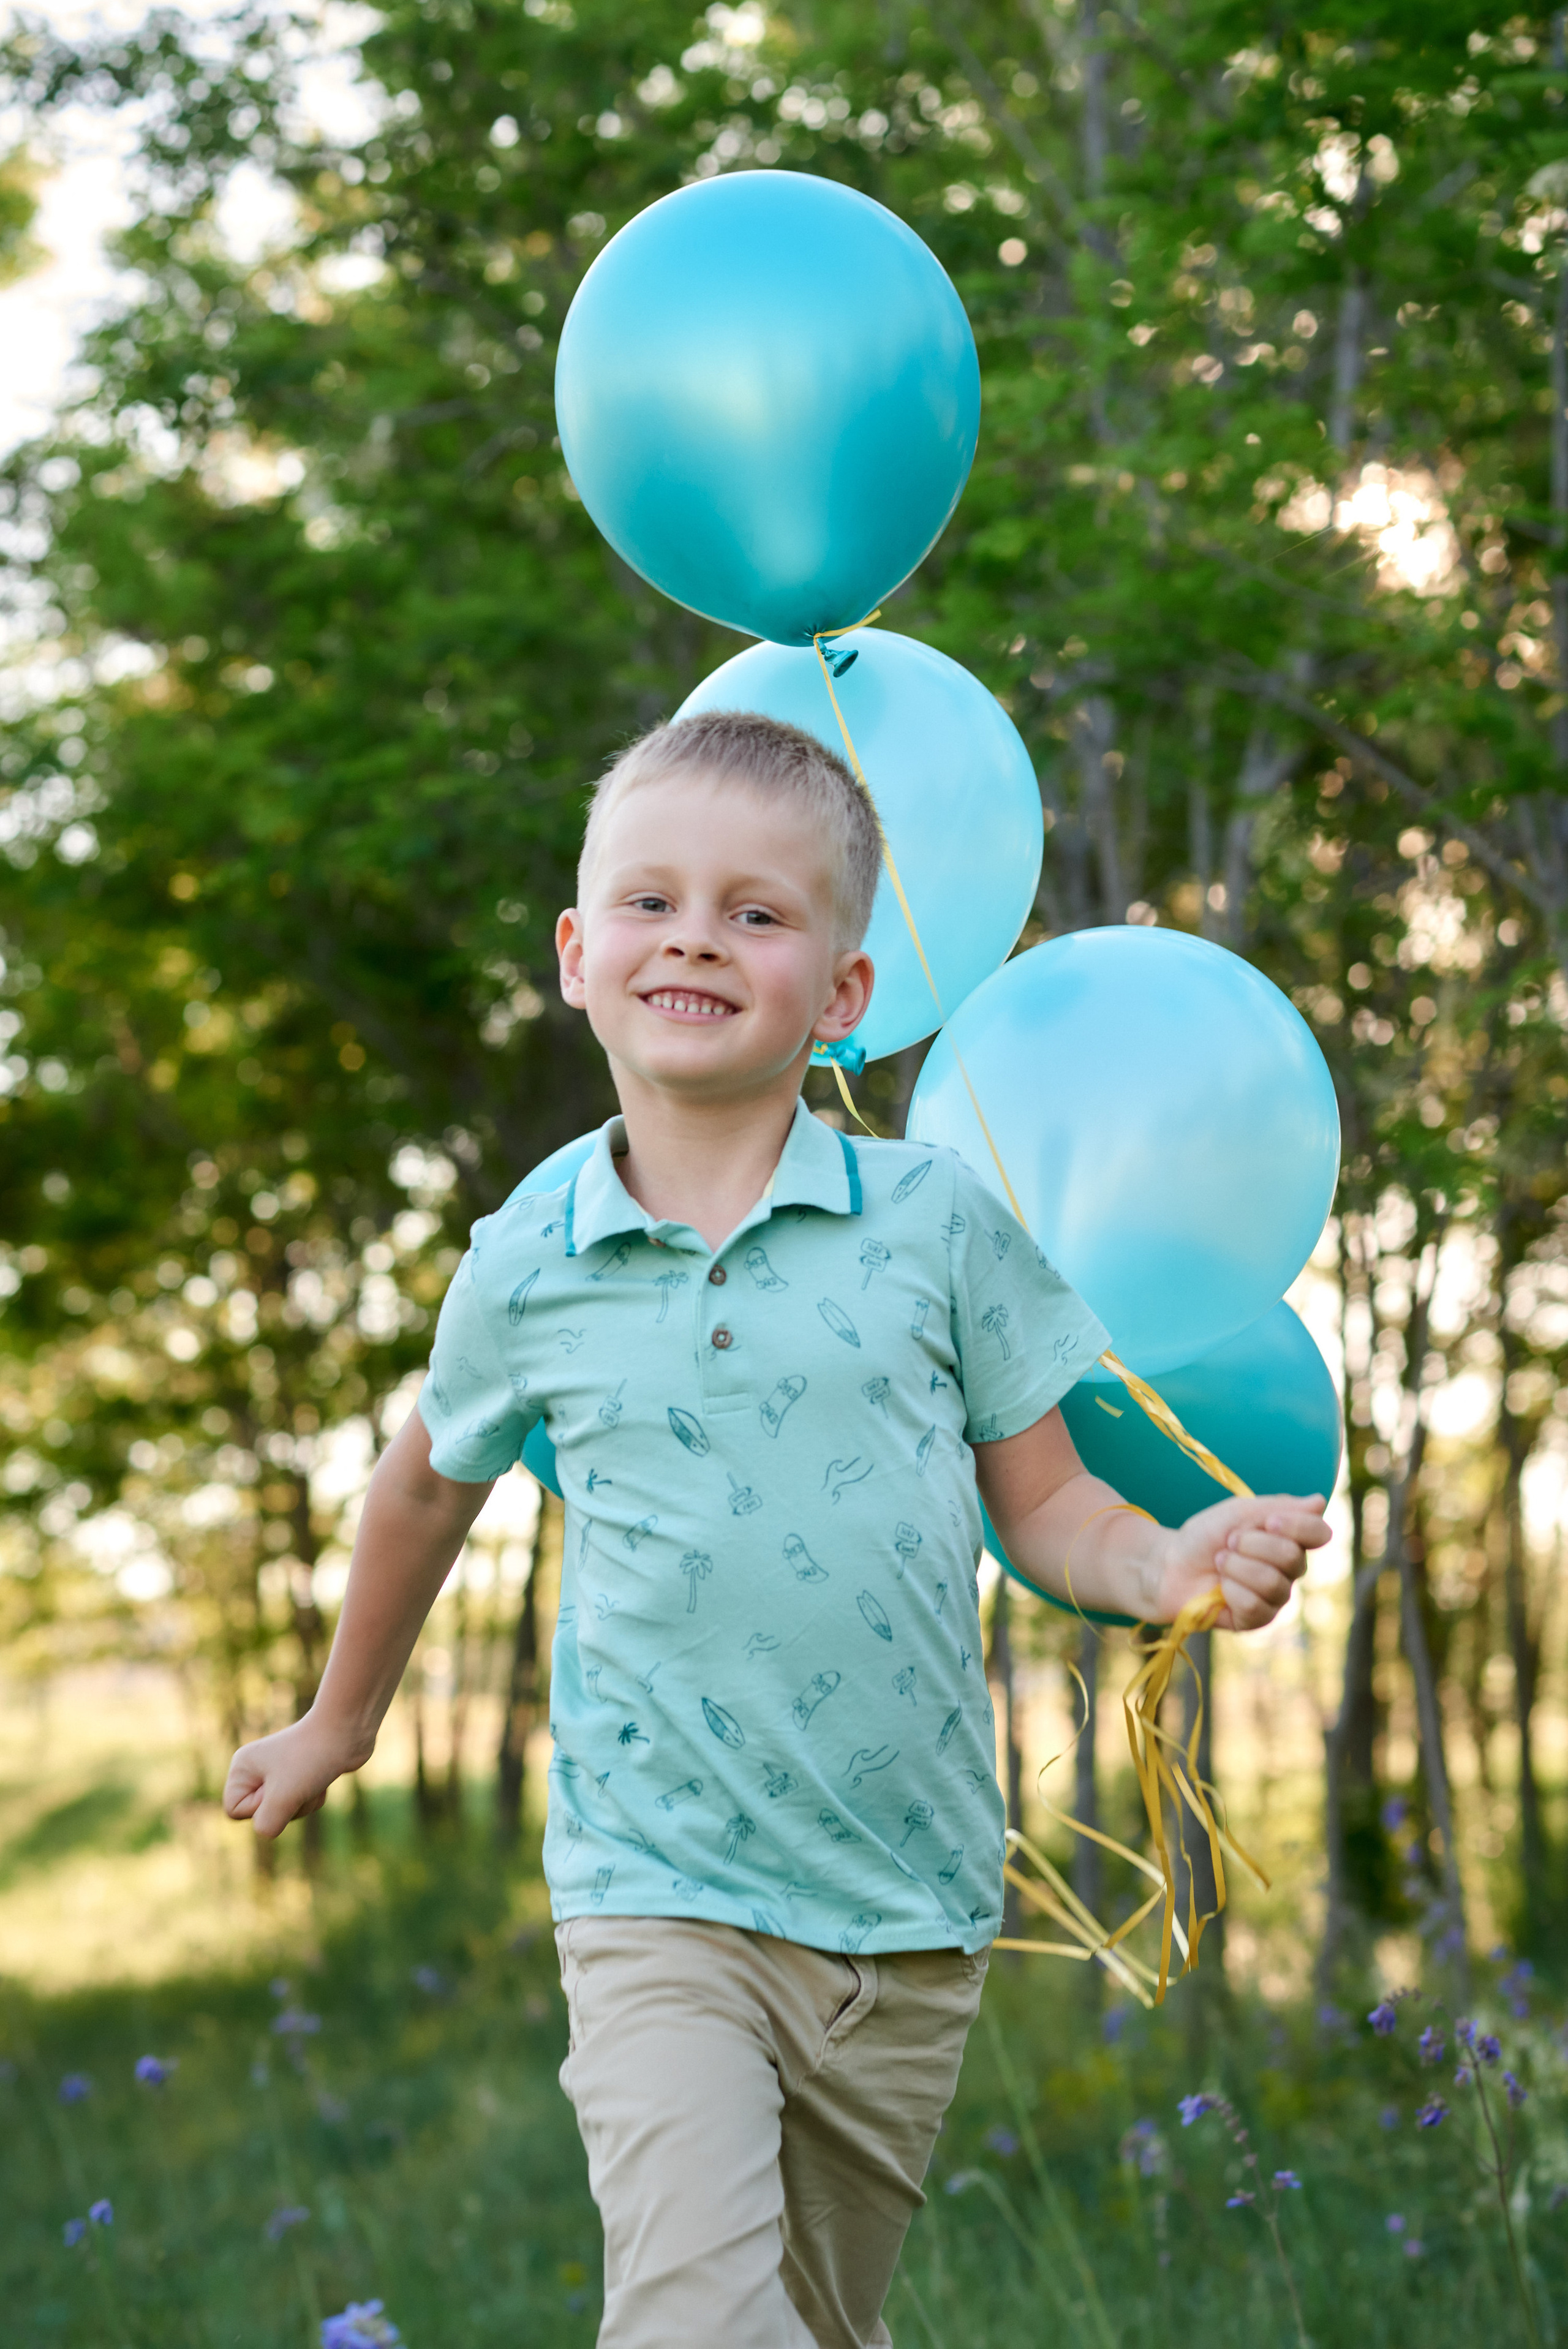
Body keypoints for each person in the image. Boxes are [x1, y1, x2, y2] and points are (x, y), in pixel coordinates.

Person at [224, 710, 1330, 2349]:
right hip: (656, 1890)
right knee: (703, 2320)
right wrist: (341, 1717)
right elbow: (426, 1485)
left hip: (908, 1902)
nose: (695, 936)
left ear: (843, 991)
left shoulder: (933, 1224)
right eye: (652, 900)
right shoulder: (531, 1254)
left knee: (817, 2320)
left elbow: (1046, 1502)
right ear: (578, 954)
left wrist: (1167, 1563)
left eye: (756, 911)